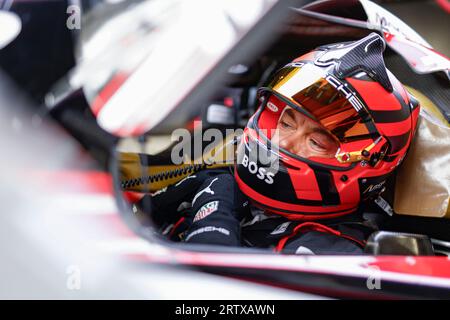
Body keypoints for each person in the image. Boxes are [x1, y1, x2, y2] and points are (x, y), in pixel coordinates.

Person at [139, 33, 420, 255]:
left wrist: (213, 219)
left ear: (367, 165)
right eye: (286, 123)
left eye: (316, 141)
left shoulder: (336, 255)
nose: (283, 141)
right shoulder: (223, 179)